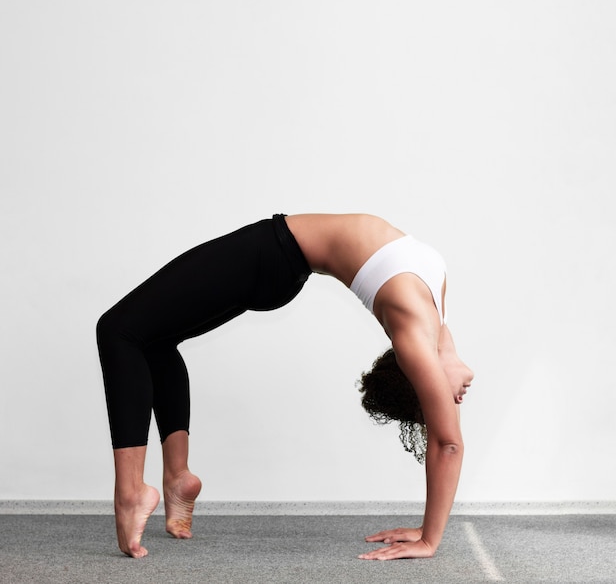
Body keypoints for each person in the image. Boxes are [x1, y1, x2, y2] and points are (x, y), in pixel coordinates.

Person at [96, 213, 474, 560]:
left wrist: (429, 540)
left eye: (441, 398)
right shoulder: (436, 323)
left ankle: (130, 493)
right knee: (156, 339)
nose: (456, 398)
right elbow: (445, 413)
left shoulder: (414, 332)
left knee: (118, 331)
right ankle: (178, 477)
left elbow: (449, 443)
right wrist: (426, 530)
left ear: (421, 378)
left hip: (270, 253)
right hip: (279, 264)